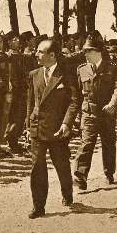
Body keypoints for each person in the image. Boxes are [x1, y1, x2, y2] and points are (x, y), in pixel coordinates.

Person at [26, 38, 79, 218]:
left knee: (62, 165)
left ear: (52, 55)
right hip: (38, 128)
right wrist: (28, 126)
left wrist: (67, 123)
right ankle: (38, 206)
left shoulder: (66, 75)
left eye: (41, 51)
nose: (36, 54)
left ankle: (67, 193)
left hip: (58, 130)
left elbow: (74, 101)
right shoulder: (34, 74)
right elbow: (30, 103)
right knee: (37, 167)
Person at [74, 31, 117, 191]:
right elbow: (77, 94)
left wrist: (113, 104)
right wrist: (76, 115)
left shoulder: (113, 68)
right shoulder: (81, 69)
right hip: (89, 112)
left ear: (98, 51)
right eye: (84, 51)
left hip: (106, 112)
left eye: (88, 51)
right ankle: (80, 175)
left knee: (108, 143)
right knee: (86, 143)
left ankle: (109, 172)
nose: (85, 54)